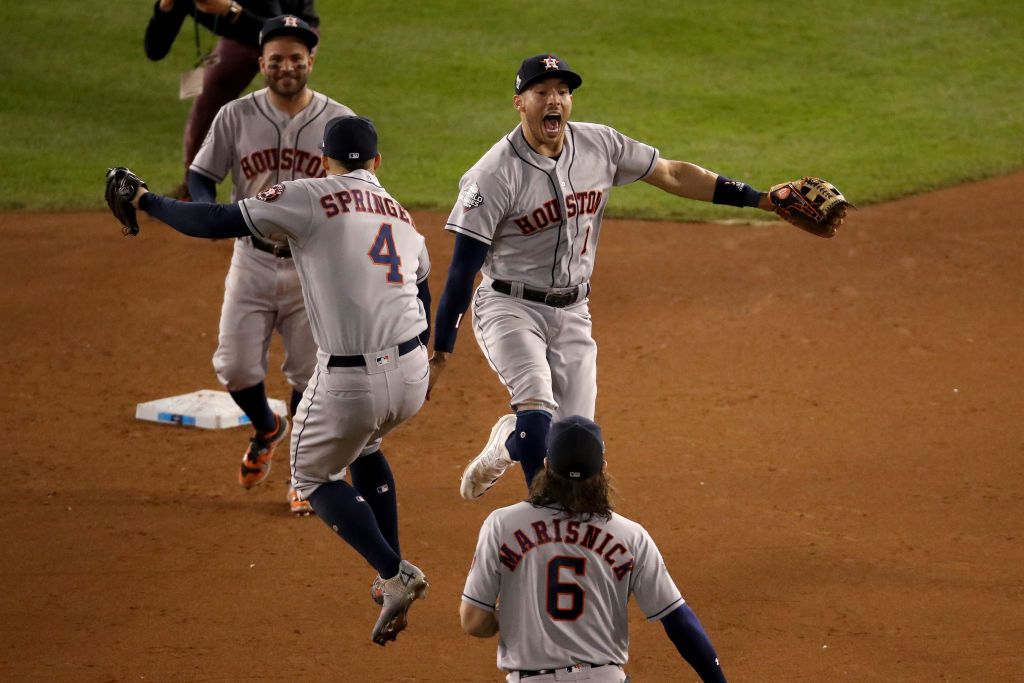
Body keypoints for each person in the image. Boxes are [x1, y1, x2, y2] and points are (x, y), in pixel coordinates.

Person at [429, 53, 817, 501]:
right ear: (520, 102)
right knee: (537, 415)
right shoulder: (493, 174)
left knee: (575, 440)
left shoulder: (601, 145)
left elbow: (671, 173)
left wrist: (761, 200)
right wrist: (441, 355)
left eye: (562, 92)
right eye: (542, 92)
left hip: (574, 310)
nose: (554, 100)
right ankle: (544, 518)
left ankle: (506, 442)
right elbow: (461, 269)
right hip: (510, 308)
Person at [114, 114, 433, 646]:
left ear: (322, 160)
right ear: (377, 162)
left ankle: (395, 573)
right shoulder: (403, 217)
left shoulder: (309, 193)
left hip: (351, 381)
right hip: (411, 375)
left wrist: (145, 199)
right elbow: (421, 294)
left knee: (311, 478)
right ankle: (388, 576)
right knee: (365, 447)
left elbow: (214, 220)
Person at [181, 15, 352, 514]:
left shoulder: (339, 122)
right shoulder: (235, 116)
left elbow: (362, 185)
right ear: (261, 64)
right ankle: (267, 429)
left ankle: (304, 474)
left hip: (311, 268)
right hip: (252, 260)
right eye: (276, 59)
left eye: (296, 58)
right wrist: (207, 211)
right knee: (233, 367)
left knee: (309, 376)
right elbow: (200, 175)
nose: (286, 67)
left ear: (311, 62)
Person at [460, 416, 727, 682]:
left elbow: (473, 621)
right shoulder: (630, 536)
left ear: (545, 465)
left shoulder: (502, 524)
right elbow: (679, 622)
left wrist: (513, 616)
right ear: (603, 469)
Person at [144, 0, 320, 200]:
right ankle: (193, 189)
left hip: (292, 31)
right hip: (240, 33)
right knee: (205, 109)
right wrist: (165, 7)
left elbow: (276, 29)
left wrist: (231, 11)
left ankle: (283, 195)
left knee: (276, 113)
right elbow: (155, 50)